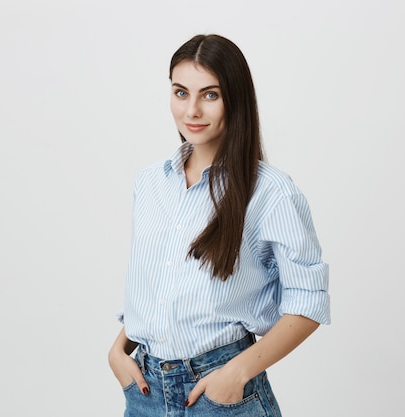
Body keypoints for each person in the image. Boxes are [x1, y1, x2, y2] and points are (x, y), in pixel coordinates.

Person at [108, 34, 330, 417]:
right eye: (181, 92)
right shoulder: (149, 183)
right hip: (144, 391)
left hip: (221, 392)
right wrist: (118, 350)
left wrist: (238, 371)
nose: (191, 110)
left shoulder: (270, 192)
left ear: (235, 99)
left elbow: (308, 301)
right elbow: (159, 283)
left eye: (209, 95)